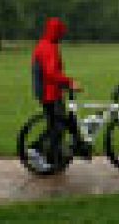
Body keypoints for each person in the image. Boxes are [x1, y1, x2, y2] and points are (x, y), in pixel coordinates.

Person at [27, 17, 88, 170]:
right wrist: (70, 82)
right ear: (56, 32)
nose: (62, 36)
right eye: (61, 33)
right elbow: (51, 73)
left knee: (58, 125)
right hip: (50, 93)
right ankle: (36, 150)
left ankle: (56, 157)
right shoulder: (49, 48)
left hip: (50, 91)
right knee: (57, 127)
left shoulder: (44, 44)